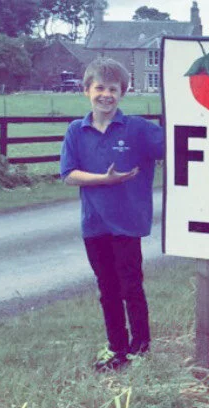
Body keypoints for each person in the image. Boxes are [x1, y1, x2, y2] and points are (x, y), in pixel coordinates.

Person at [60, 57, 164, 371]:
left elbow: (176, 144)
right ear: (86, 90)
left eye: (113, 89)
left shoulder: (138, 129)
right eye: (100, 88)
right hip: (95, 224)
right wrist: (104, 180)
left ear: (122, 93)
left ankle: (140, 349)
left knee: (131, 286)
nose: (106, 95)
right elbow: (68, 174)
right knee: (107, 289)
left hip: (127, 223)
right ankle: (116, 347)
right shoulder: (76, 131)